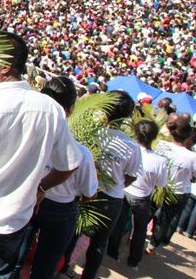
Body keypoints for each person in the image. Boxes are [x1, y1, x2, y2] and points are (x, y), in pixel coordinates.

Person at [0, 32, 81, 279]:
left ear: (5, 67)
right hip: (15, 218)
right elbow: (69, 164)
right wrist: (40, 187)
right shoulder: (50, 108)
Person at [28, 77, 97, 279]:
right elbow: (89, 194)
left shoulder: (27, 137)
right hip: (61, 210)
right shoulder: (82, 154)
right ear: (71, 109)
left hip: (27, 199)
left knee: (16, 254)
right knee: (46, 263)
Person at [80, 91, 140, 279]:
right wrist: (117, 183)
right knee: (99, 241)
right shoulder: (131, 146)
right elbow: (131, 176)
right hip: (111, 198)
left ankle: (65, 265)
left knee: (75, 232)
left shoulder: (92, 133)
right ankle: (88, 276)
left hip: (86, 190)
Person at [109, 119, 168, 269]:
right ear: (154, 137)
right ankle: (133, 261)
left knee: (118, 223)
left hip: (124, 190)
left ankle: (112, 253)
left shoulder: (128, 149)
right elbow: (161, 183)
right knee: (139, 229)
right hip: (142, 196)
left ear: (136, 133)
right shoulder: (159, 161)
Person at [148, 116, 196, 253]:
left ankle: (134, 235)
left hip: (157, 185)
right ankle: (152, 246)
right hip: (178, 192)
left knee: (148, 212)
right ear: (188, 135)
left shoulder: (162, 145)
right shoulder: (193, 156)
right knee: (165, 220)